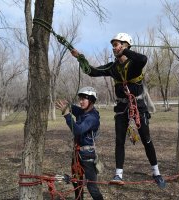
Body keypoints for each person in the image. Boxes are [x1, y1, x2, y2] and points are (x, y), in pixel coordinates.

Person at [70, 33, 166, 189]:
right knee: (119, 141)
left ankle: (156, 173)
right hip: (121, 108)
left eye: (117, 44)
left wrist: (125, 51)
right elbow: (92, 71)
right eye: (113, 45)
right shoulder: (112, 67)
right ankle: (118, 174)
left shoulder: (134, 64)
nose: (114, 48)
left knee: (146, 139)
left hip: (138, 106)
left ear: (126, 45)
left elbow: (143, 59)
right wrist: (79, 58)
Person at [56, 86, 104, 200]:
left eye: (84, 99)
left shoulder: (92, 117)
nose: (81, 101)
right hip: (77, 154)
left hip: (87, 155)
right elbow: (75, 109)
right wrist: (68, 105)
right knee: (76, 183)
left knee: (92, 187)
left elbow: (77, 130)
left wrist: (67, 115)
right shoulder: (82, 112)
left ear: (91, 100)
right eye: (80, 98)